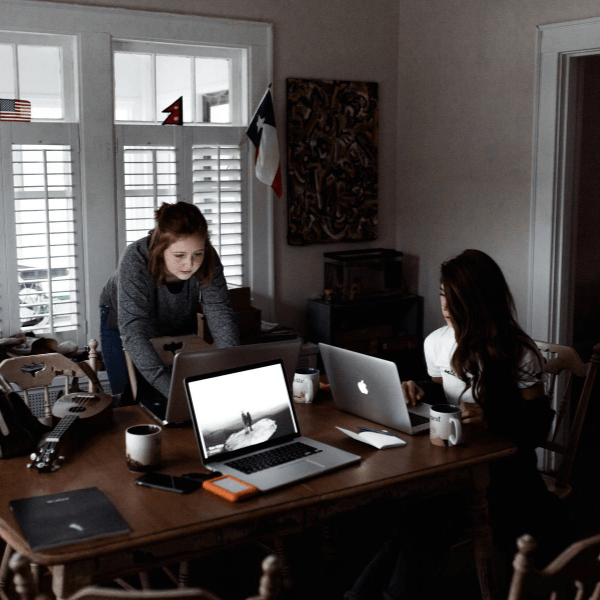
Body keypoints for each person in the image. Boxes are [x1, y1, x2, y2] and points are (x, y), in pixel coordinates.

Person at [344, 249, 571, 600]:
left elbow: (538, 427)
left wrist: (493, 417)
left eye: (455, 299)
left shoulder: (519, 353)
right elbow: (442, 389)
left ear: (480, 301)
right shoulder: (436, 343)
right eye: (442, 295)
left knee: (420, 523)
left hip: (505, 472)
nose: (446, 306)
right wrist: (417, 386)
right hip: (454, 463)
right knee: (408, 522)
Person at [99, 202, 239, 402]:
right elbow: (134, 330)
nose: (190, 264)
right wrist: (175, 394)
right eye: (179, 255)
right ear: (160, 248)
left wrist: (230, 367)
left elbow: (219, 311)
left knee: (182, 387)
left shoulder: (208, 258)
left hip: (177, 316)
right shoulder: (135, 258)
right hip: (124, 321)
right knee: (129, 399)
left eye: (197, 254)